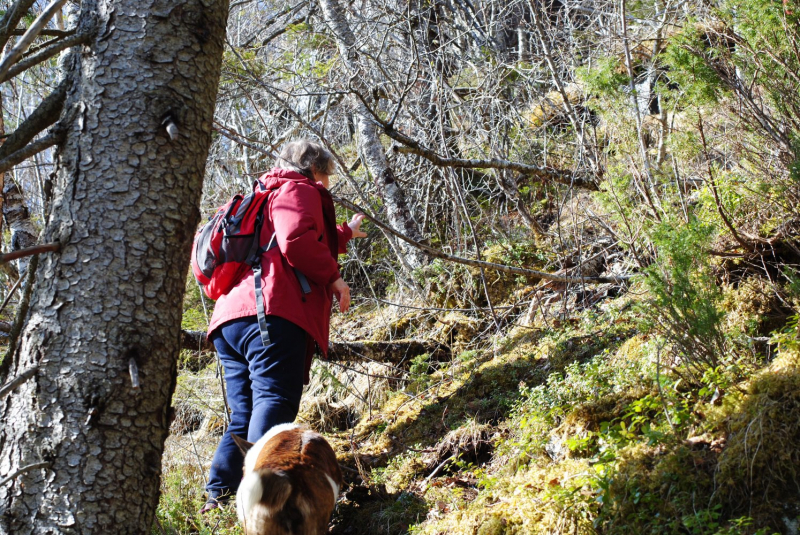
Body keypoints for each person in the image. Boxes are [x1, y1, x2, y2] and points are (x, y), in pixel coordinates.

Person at [201, 139, 366, 512]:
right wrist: (335, 279)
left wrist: (345, 233)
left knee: (244, 414)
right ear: (311, 169)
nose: (326, 184)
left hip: (231, 318)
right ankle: (257, 499)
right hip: (271, 312)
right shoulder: (299, 188)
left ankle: (218, 497)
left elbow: (293, 237)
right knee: (274, 402)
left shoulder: (265, 192)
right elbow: (295, 240)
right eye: (325, 175)